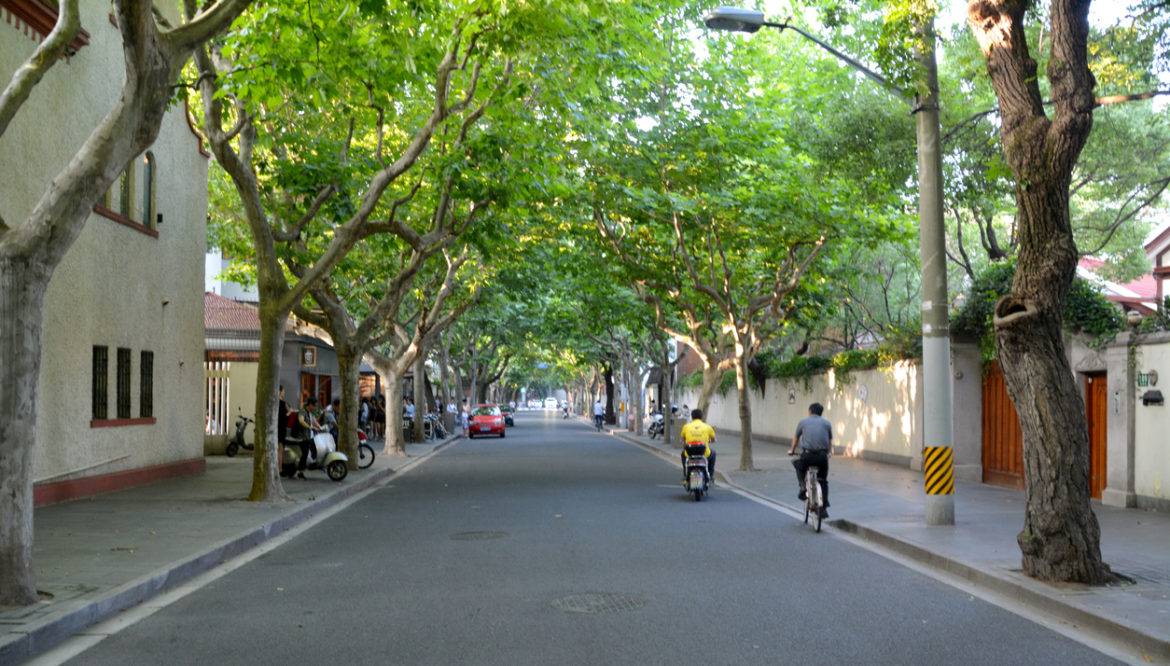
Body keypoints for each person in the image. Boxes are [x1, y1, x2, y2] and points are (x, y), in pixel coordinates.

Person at [788, 402, 832, 514]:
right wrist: (828, 453)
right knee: (823, 480)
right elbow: (829, 441)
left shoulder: (803, 422)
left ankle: (803, 487)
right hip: (822, 456)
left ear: (810, 412)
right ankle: (824, 508)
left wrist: (792, 450)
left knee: (798, 465)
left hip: (807, 455)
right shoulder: (827, 423)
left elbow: (796, 438)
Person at [679, 408, 716, 483]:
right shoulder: (707, 427)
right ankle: (711, 474)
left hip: (689, 453)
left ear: (692, 417)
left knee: (683, 455)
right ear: (702, 417)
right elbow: (713, 439)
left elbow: (683, 439)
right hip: (704, 453)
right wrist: (708, 441)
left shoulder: (686, 426)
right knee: (713, 453)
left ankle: (686, 475)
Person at [290, 397, 321, 479]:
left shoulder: (310, 413)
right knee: (305, 454)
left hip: (309, 437)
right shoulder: (303, 411)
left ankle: (311, 465)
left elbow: (315, 422)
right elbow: (301, 420)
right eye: (314, 405)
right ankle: (300, 472)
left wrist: (321, 427)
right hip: (302, 438)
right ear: (310, 405)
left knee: (315, 450)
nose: (315, 407)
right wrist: (310, 427)